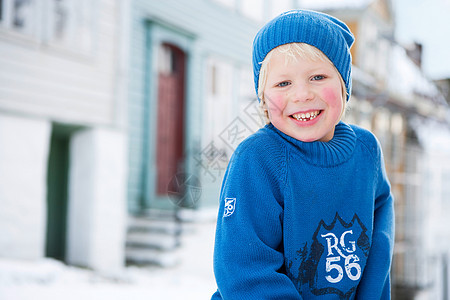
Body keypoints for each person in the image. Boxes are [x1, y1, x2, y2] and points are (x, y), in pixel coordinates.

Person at [211, 9, 395, 299]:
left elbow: (378, 250)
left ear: (344, 85)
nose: (302, 95)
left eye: (318, 77)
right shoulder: (258, 159)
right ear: (263, 98)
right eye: (283, 83)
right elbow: (245, 270)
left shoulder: (366, 151)